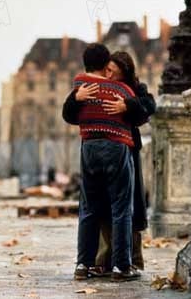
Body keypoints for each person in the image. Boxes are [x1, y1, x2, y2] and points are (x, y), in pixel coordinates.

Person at [62, 43, 141, 282]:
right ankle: (121, 267)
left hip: (89, 147)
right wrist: (127, 104)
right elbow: (140, 109)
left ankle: (83, 265)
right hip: (116, 146)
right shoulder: (122, 89)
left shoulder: (79, 85)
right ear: (106, 63)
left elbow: (70, 116)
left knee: (88, 209)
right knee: (121, 209)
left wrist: (77, 98)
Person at [94, 51, 156, 275]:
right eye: (107, 69)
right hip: (103, 151)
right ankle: (103, 260)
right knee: (103, 204)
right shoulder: (97, 85)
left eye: (113, 70)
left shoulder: (136, 88)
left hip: (128, 151)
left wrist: (127, 106)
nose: (108, 74)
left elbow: (149, 107)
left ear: (123, 70)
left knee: (131, 206)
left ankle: (132, 260)